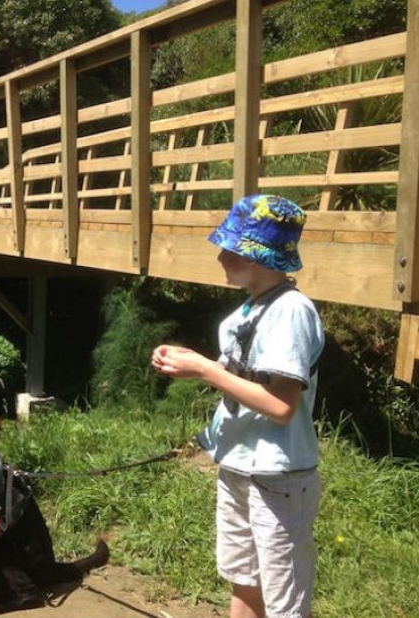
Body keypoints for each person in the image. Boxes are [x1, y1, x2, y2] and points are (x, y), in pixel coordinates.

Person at [151, 194, 324, 618]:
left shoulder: (291, 312)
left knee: (284, 601)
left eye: (230, 248)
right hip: (240, 467)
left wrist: (206, 371)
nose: (221, 256)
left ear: (257, 256)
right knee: (244, 579)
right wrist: (194, 363)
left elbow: (282, 405)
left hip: (279, 479)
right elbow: (245, 378)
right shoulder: (251, 308)